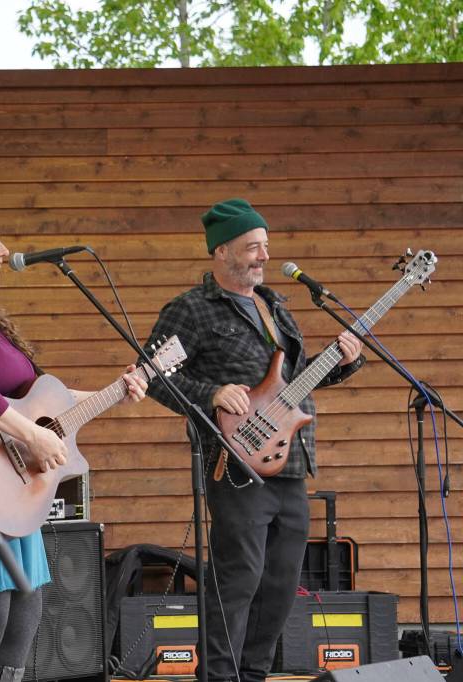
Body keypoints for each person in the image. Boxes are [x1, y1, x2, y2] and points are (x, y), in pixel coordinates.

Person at [0, 206, 148, 682]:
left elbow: (40, 401)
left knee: (25, 613)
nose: (4, 252)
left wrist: (115, 391)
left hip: (9, 484)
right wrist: (34, 435)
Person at [143, 198, 365, 682]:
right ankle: (221, 676)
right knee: (238, 580)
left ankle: (254, 672)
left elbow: (293, 383)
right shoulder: (191, 310)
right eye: (251, 247)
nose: (263, 256)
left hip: (289, 462)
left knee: (282, 582)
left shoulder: (275, 307)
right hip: (236, 464)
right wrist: (212, 392)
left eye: (265, 246)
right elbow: (154, 376)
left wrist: (343, 364)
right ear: (221, 252)